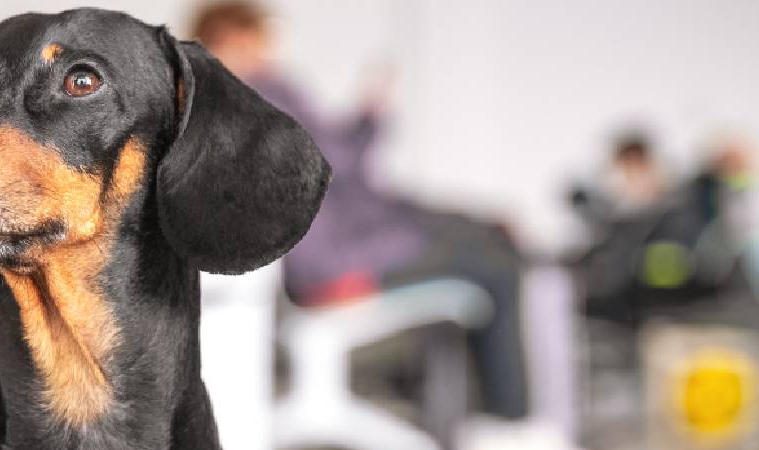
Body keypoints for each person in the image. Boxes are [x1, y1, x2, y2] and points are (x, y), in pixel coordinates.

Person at [190, 2, 531, 419]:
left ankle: (495, 426)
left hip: (324, 255)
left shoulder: (213, 107)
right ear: (234, 39)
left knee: (484, 243)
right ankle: (512, 429)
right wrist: (371, 114)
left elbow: (336, 167)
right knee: (496, 265)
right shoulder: (264, 90)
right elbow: (338, 163)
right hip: (333, 265)